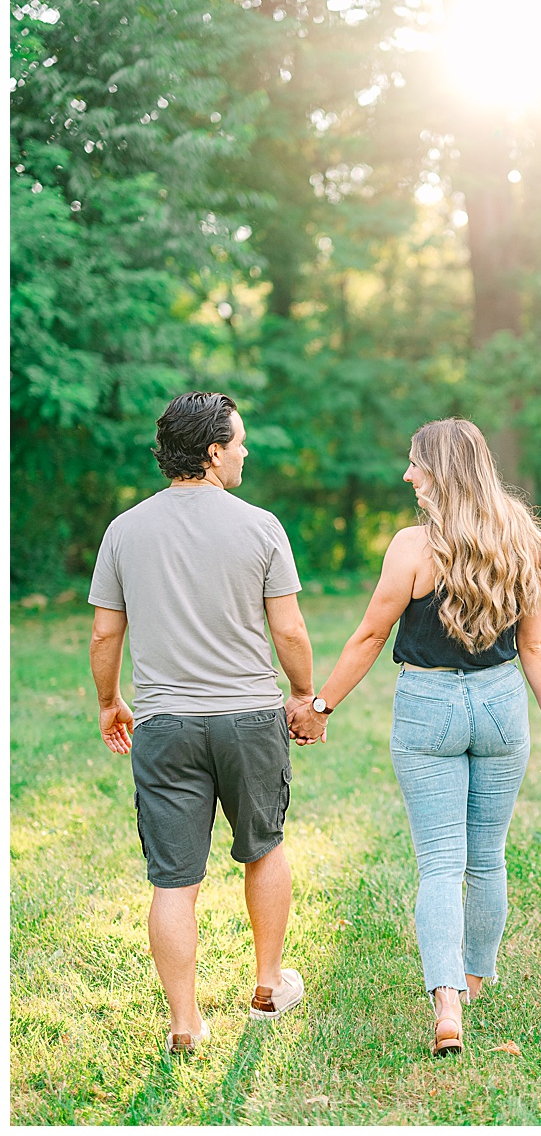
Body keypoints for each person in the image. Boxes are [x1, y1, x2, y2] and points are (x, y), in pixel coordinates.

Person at [296, 418, 541, 1057]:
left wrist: (321, 704)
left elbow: (369, 636)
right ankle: (473, 978)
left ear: (440, 470)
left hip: (429, 706)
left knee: (441, 861)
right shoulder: (520, 538)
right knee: (488, 857)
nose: (407, 475)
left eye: (416, 463)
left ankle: (447, 999)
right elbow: (536, 644)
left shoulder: (412, 548)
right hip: (503, 707)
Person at [89, 391, 316, 1055]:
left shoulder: (124, 530)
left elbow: (106, 635)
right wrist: (302, 693)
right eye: (238, 440)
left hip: (164, 725)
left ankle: (185, 1023)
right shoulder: (261, 525)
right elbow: (291, 628)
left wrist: (109, 700)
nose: (245, 450)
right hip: (249, 718)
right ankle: (269, 984)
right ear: (214, 451)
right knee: (264, 847)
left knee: (173, 879)